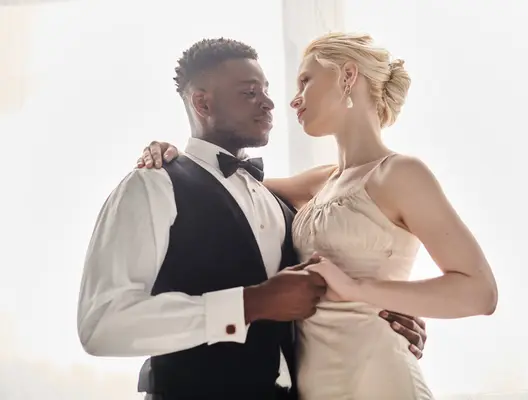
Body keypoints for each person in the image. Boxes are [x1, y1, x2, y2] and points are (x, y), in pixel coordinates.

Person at [139, 32, 498, 399]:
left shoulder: (400, 174)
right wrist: (173, 157)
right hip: (313, 386)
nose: (293, 100)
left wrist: (361, 291)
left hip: (376, 376)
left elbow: (479, 293)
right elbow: (219, 185)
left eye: (305, 81)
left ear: (347, 76)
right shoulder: (318, 182)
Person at [78, 37, 427, 400]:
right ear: (202, 102)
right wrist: (249, 304)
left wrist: (387, 318)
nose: (270, 103)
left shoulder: (277, 200)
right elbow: (102, 324)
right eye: (249, 93)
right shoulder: (153, 185)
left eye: (266, 89)